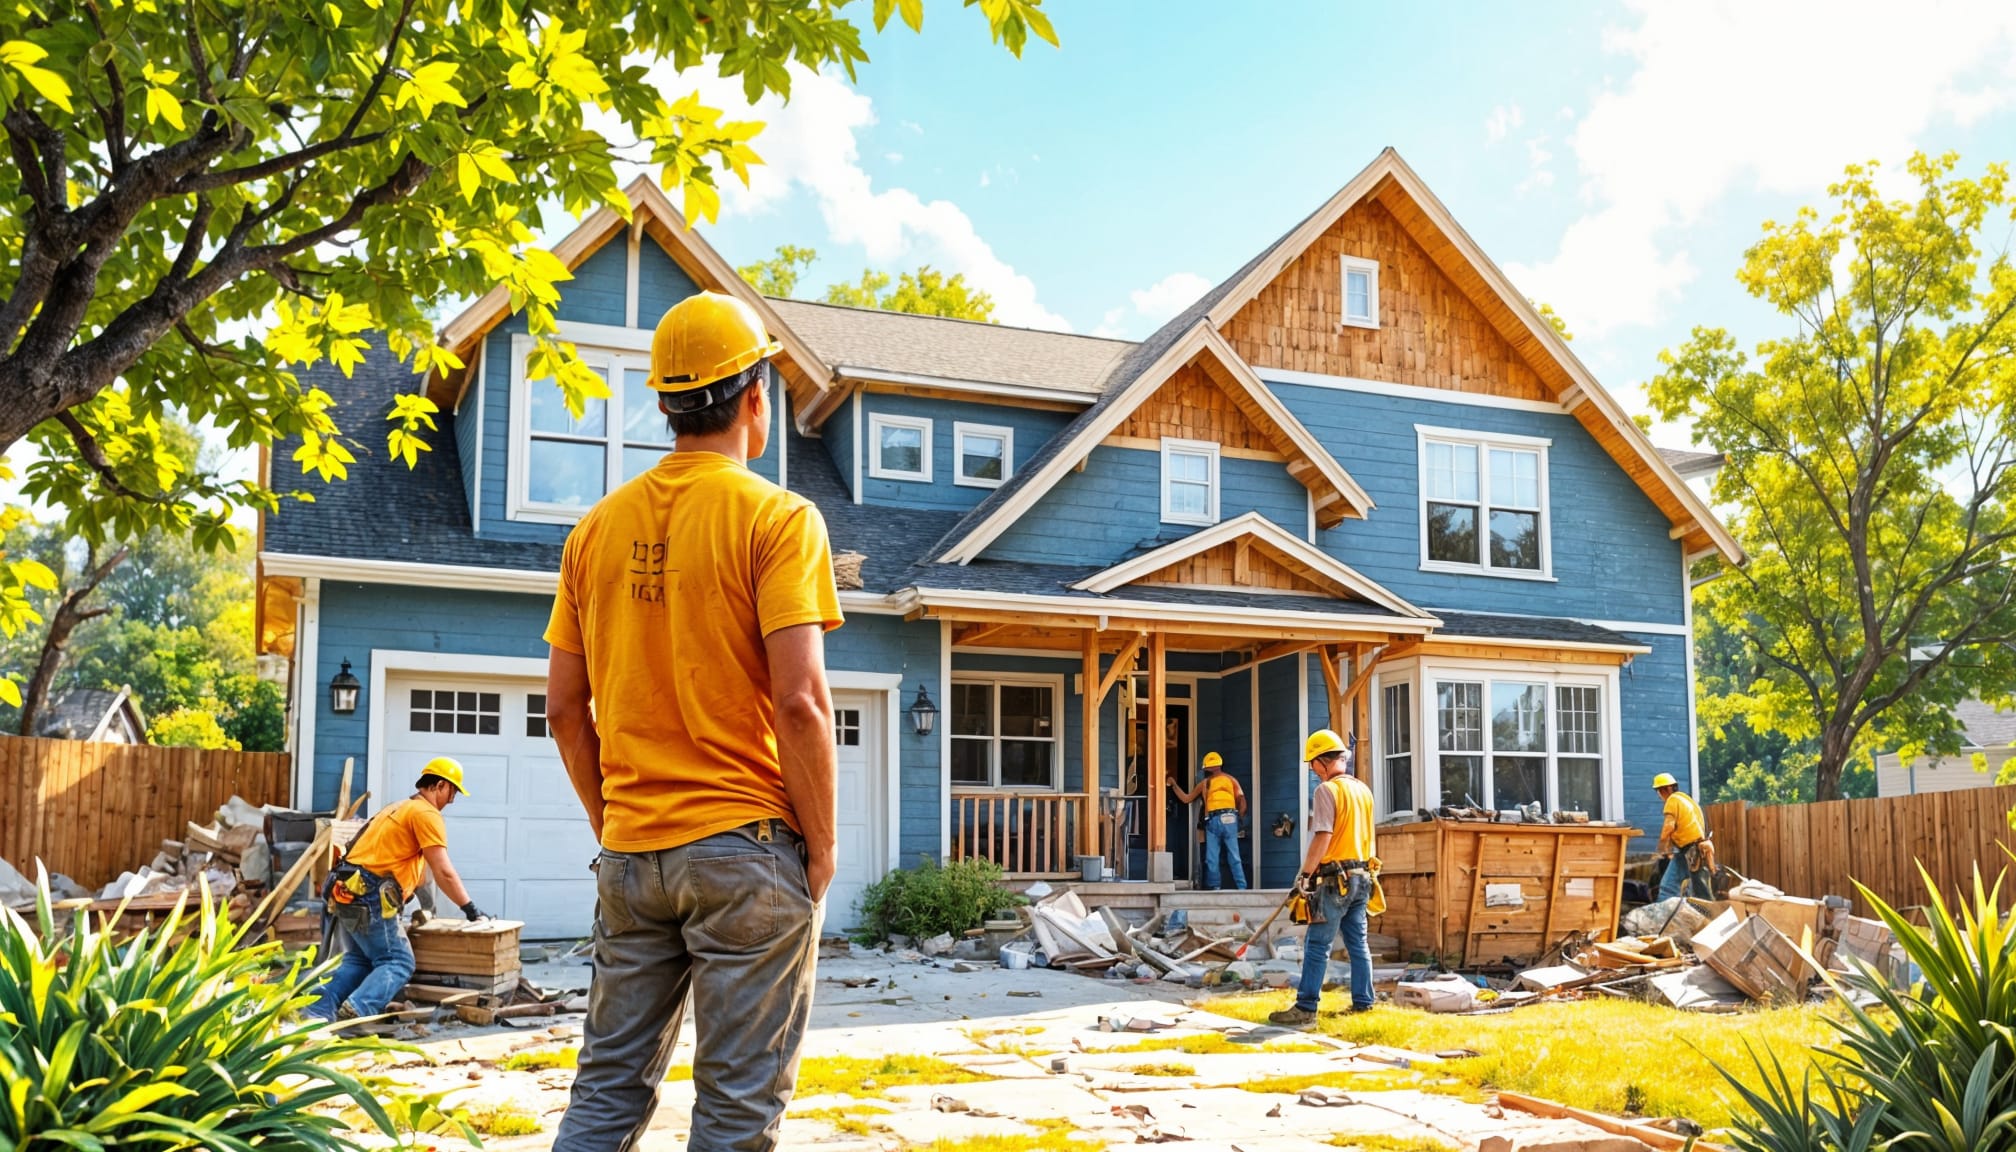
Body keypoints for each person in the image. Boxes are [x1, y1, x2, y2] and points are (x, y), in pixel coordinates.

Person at [544, 290, 843, 1152]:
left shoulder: (592, 532)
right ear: (756, 398)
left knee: (603, 1095)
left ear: (667, 404)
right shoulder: (780, 519)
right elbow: (800, 701)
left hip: (633, 858)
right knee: (735, 1113)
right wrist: (820, 846)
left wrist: (619, 827)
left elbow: (566, 711)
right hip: (747, 854)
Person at [307, 758, 486, 1023]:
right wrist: (471, 910)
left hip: (345, 887)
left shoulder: (399, 807)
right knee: (398, 962)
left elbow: (410, 868)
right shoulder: (426, 814)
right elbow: (443, 871)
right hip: (367, 895)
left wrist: (406, 890)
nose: (452, 800)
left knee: (359, 962)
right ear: (440, 785)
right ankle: (359, 1012)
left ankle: (316, 1011)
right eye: (453, 792)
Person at [1270, 730, 1376, 1027]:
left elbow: (1323, 835)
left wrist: (1305, 874)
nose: (1312, 772)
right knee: (1359, 944)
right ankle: (1364, 1003)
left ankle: (1305, 1009)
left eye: (1312, 765)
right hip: (1362, 877)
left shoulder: (1327, 791)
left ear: (1321, 761)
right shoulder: (1362, 790)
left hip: (1334, 880)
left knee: (1317, 945)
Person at [1168, 751, 1247, 890]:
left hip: (1212, 820)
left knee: (1212, 858)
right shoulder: (1231, 780)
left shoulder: (1204, 783)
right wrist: (1239, 819)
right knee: (1234, 856)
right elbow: (1241, 799)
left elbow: (1186, 799)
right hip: (1229, 819)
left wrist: (1173, 784)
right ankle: (1242, 888)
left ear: (1207, 768)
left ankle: (1215, 888)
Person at [1653, 772, 1715, 900]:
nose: (1659, 795)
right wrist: (1668, 850)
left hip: (1690, 851)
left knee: (1668, 888)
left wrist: (1659, 850)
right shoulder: (1686, 800)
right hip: (1696, 849)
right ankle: (1709, 914)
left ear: (1667, 789)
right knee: (1699, 890)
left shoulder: (1672, 800)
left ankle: (1661, 916)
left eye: (1658, 791)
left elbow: (1668, 828)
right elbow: (1679, 828)